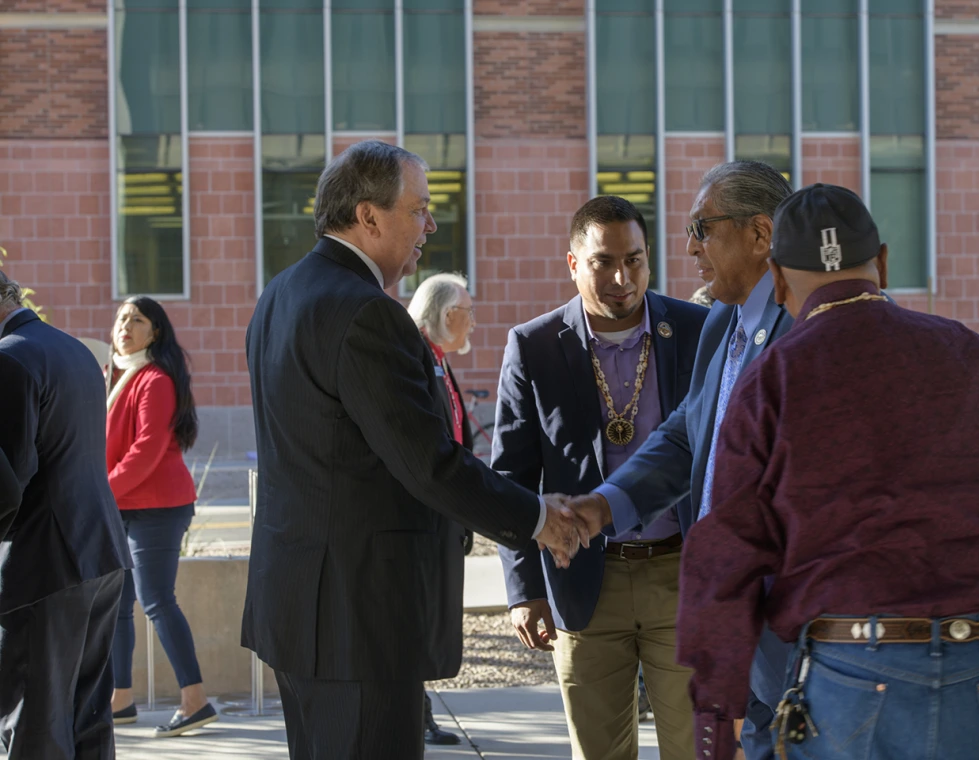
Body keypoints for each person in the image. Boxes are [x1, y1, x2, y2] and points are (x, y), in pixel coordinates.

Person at [676, 184, 979, 760]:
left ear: (776, 276)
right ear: (884, 263)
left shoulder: (774, 379)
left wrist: (716, 730)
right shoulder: (974, 358)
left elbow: (723, 564)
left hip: (850, 676)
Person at [243, 139, 588, 760]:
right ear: (369, 216)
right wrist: (540, 520)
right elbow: (429, 464)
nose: (429, 224)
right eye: (419, 209)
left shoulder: (281, 293)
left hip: (299, 608)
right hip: (358, 619)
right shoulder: (367, 313)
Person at [566, 161, 796, 759]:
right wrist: (604, 505)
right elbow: (687, 434)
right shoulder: (721, 320)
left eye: (703, 226)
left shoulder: (802, 327)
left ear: (760, 234)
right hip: (727, 623)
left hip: (784, 631)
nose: (689, 245)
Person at [494, 196, 709, 760]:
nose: (621, 278)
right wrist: (524, 591)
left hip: (681, 575)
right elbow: (511, 476)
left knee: (697, 749)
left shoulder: (696, 329)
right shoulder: (534, 346)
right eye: (603, 263)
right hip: (585, 580)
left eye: (634, 261)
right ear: (572, 263)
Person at [0, 269, 131, 759]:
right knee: (88, 720)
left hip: (43, 565)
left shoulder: (9, 359)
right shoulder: (74, 349)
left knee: (36, 726)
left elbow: (8, 482)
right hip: (99, 553)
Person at [105, 296, 219, 737]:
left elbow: (147, 450)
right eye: (120, 318)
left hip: (157, 507)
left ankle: (195, 701)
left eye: (137, 319)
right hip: (122, 506)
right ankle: (121, 700)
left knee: (156, 599)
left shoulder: (154, 379)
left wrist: (102, 491)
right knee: (117, 606)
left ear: (155, 332)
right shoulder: (114, 376)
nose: (125, 325)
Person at [406, 272, 479, 746]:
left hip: (446, 512)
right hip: (421, 517)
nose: (472, 323)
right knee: (416, 617)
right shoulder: (414, 356)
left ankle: (420, 711)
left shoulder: (438, 359)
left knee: (432, 618)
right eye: (468, 313)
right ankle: (417, 714)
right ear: (448, 315)